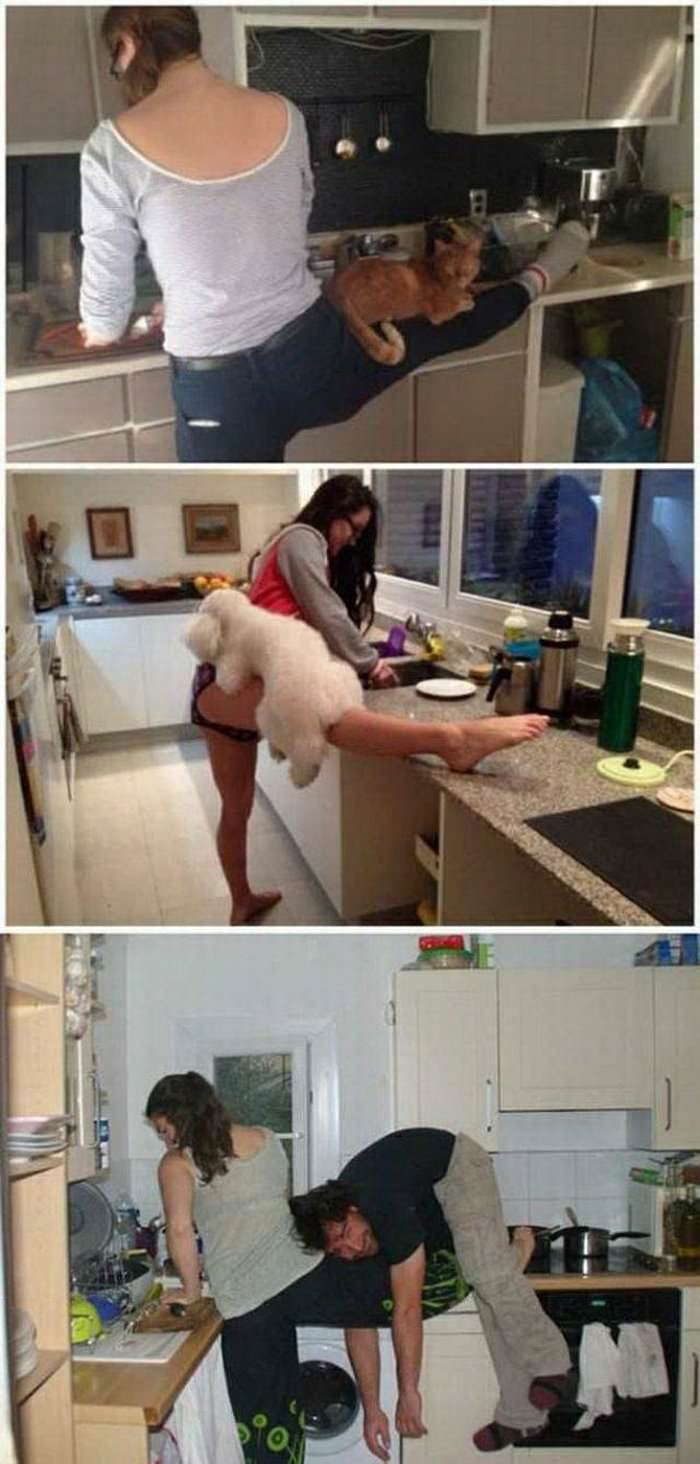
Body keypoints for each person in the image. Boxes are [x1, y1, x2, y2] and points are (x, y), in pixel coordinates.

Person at [78, 7, 591, 462]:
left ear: (128, 43)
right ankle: (542, 272)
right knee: (447, 325)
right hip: (313, 361)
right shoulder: (283, 113)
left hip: (221, 392)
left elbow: (105, 314)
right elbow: (290, 217)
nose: (119, 73)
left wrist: (112, 324)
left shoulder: (112, 146)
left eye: (114, 62)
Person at [189, 476, 549, 925]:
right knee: (327, 718)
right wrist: (370, 664)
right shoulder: (303, 537)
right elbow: (324, 610)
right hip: (227, 685)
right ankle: (453, 740)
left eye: (361, 533)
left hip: (230, 684)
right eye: (353, 527)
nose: (353, 539)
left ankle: (242, 900)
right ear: (330, 511)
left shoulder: (294, 543)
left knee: (238, 806)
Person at [145, 1072, 473, 1464]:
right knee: (404, 1286)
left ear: (179, 1117)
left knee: (270, 1429)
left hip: (248, 1306)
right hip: (305, 1277)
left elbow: (180, 1230)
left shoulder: (176, 1164)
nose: (166, 1140)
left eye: (164, 1130)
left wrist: (191, 1291)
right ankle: (474, 1267)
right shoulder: (266, 1139)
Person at [290, 1128, 572, 1455]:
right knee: (485, 1285)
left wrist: (408, 1392)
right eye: (338, 1249)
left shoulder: (382, 1204)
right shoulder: (347, 1250)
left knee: (486, 1272)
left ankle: (552, 1362)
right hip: (430, 1212)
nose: (351, 1247)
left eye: (346, 1233)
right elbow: (358, 1322)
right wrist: (372, 1410)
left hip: (457, 1168)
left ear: (352, 1208)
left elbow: (407, 1310)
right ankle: (521, 1417)